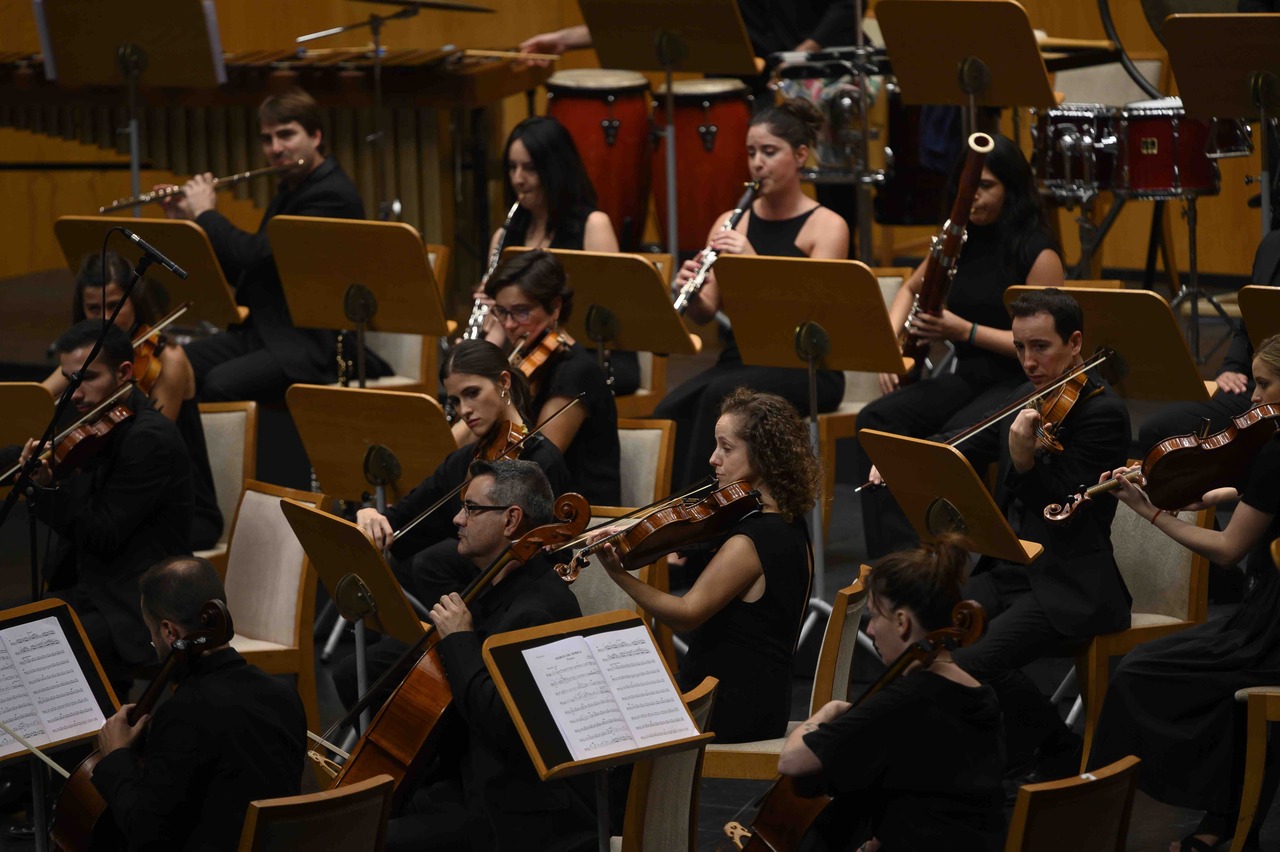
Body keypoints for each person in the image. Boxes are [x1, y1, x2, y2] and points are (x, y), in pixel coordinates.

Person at [913, 289, 1129, 781]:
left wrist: (1026, 462)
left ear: (1075, 343)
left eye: (1041, 347)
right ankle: (1053, 741)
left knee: (967, 663)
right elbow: (962, 440)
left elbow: (1066, 512)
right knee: (920, 629)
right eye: (1019, 348)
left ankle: (1009, 764)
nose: (1029, 362)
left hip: (1070, 582)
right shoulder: (1029, 397)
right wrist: (912, 453)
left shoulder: (1102, 415)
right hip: (1016, 568)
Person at [1087, 333, 1280, 852]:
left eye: (1264, 384)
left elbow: (1226, 549)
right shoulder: (1272, 450)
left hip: (1270, 633)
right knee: (1221, 699)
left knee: (1141, 674)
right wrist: (1210, 489)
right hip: (1268, 616)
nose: (1254, 397)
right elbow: (1259, 497)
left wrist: (1148, 511)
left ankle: (1098, 810)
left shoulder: (1277, 453)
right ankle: (1227, 826)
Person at [856, 133, 1064, 558]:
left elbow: (1046, 349)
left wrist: (962, 330)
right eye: (967, 188)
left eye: (985, 187)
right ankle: (897, 562)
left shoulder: (1037, 251)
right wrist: (892, 347)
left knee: (942, 443)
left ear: (1012, 188)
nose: (972, 198)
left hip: (1020, 385)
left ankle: (937, 563)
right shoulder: (958, 237)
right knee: (877, 418)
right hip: (969, 376)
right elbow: (909, 290)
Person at [333, 340, 573, 707]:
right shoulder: (466, 459)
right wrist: (370, 514)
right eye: (456, 401)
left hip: (498, 626)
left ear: (504, 383)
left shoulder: (541, 462)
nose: (464, 410)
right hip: (455, 618)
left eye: (472, 394)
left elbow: (546, 568)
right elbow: (403, 523)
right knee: (352, 672)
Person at [384, 459, 594, 852]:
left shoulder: (537, 609)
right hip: (470, 782)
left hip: (510, 815)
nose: (457, 520)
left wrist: (460, 640)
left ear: (512, 520)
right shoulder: (497, 587)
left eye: (471, 508)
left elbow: (502, 723)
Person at [593, 388, 816, 743]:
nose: (713, 459)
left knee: (610, 731)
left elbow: (686, 613)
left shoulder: (751, 540)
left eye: (726, 448)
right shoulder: (788, 522)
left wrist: (618, 574)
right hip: (764, 700)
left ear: (764, 457)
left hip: (727, 709)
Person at [653, 99, 850, 488]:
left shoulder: (827, 226)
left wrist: (752, 259)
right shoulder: (731, 221)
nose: (757, 163)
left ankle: (703, 520)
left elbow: (808, 318)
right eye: (751, 152)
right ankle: (669, 525)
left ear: (800, 155)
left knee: (718, 397)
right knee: (670, 409)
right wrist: (690, 292)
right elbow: (708, 312)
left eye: (769, 152)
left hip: (806, 364)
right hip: (740, 358)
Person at [777, 535, 1006, 852]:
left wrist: (827, 711)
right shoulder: (980, 692)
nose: (869, 630)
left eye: (874, 616)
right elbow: (928, 791)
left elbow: (793, 761)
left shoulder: (908, 697)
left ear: (902, 622)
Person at [158, 86, 373, 401]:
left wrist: (205, 212)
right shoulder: (290, 190)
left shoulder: (331, 196)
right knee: (169, 365)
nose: (275, 148)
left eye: (286, 135)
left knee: (219, 383)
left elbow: (253, 255)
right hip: (266, 334)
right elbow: (249, 274)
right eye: (267, 139)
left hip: (313, 347)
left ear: (315, 136)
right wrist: (189, 221)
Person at [18, 321, 193, 693]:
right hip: (100, 590)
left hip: (141, 607)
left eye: (87, 378)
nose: (75, 394)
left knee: (45, 648)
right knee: (17, 630)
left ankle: (93, 744)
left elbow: (102, 534)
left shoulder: (149, 440)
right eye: (69, 380)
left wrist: (49, 492)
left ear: (124, 373)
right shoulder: (99, 426)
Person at [90, 555, 307, 852]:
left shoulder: (184, 713)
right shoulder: (283, 693)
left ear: (169, 632)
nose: (153, 641)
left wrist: (116, 756)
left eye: (152, 632)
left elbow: (145, 834)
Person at [40, 252, 222, 549]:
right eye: (93, 308)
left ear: (135, 301)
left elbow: (153, 449)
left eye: (115, 306)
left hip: (176, 507)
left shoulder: (168, 359)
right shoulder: (92, 356)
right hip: (121, 493)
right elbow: (38, 397)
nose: (105, 318)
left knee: (96, 539)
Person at [473, 116, 638, 395]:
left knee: (515, 388)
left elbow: (610, 313)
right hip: (524, 357)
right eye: (512, 168)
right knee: (471, 382)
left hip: (592, 359)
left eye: (529, 168)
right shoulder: (504, 237)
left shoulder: (593, 226)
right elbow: (501, 331)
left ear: (555, 169)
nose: (517, 179)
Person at [483, 250, 621, 506]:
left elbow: (537, 465)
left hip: (574, 515)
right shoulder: (522, 361)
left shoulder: (576, 372)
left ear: (555, 307)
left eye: (521, 312)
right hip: (527, 506)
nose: (510, 324)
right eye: (501, 312)